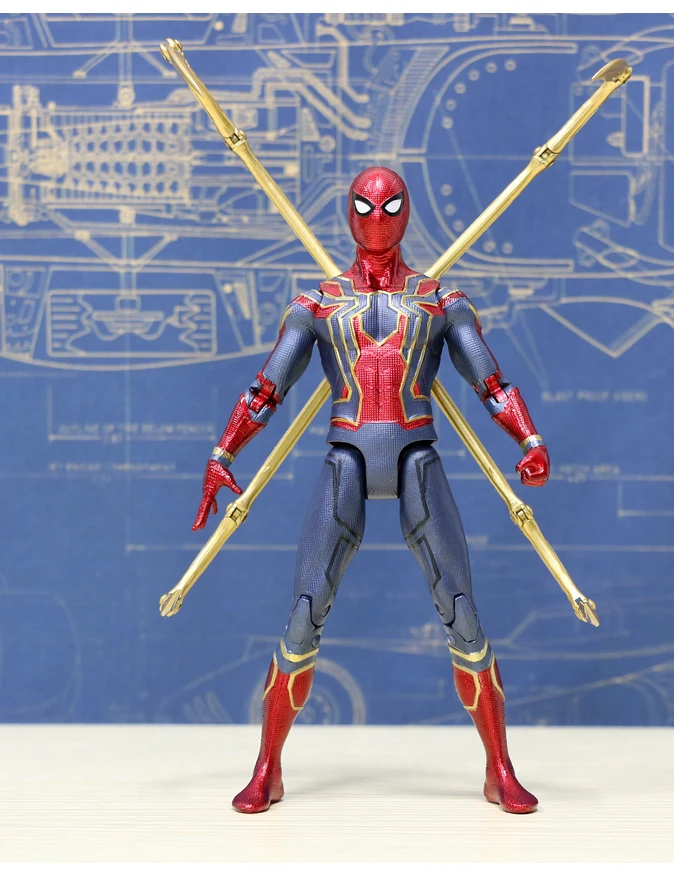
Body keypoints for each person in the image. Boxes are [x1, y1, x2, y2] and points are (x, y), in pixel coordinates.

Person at [193, 166, 549, 815]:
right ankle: (267, 767)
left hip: (416, 456)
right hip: (347, 460)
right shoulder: (318, 304)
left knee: (462, 610)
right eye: (364, 206)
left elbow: (491, 382)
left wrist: (528, 438)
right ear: (348, 212)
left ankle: (499, 767)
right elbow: (266, 389)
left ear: (406, 211)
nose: (377, 219)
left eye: (389, 206)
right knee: (305, 611)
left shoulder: (439, 300)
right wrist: (222, 454)